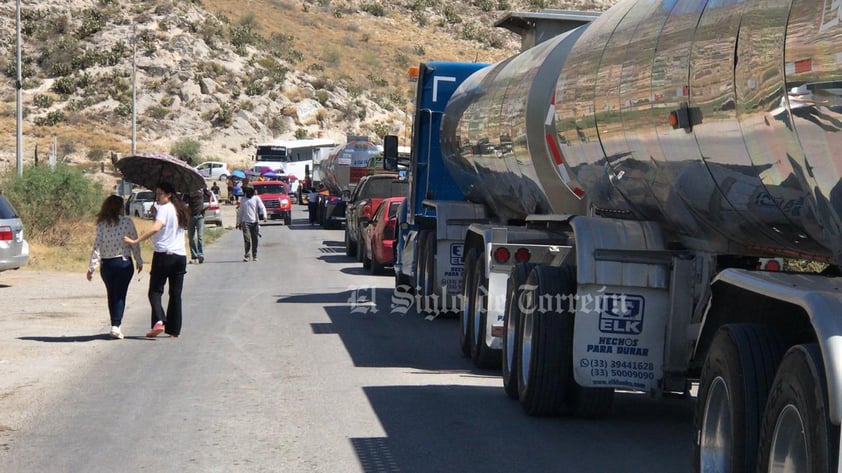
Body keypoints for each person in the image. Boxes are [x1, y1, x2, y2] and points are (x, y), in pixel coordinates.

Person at [123, 182, 190, 338]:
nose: (157, 197)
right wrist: (155, 214)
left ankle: (159, 321)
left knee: (154, 291)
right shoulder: (179, 210)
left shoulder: (165, 209)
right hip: (180, 256)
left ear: (169, 195)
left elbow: (156, 228)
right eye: (156, 194)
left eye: (160, 194)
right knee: (175, 294)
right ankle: (174, 330)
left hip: (163, 255)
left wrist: (136, 241)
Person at [87, 195, 143, 340]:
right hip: (123, 262)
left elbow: (97, 246)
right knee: (120, 294)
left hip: (107, 265)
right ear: (119, 207)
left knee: (112, 294)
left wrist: (92, 266)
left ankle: (115, 324)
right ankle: (116, 325)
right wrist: (139, 259)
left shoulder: (101, 225)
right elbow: (134, 242)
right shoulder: (127, 223)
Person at [237, 186, 267, 262]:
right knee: (247, 239)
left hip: (254, 222)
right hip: (245, 222)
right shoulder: (243, 200)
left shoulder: (256, 198)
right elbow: (240, 212)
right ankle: (247, 255)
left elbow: (262, 207)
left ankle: (255, 255)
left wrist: (264, 216)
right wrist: (238, 222)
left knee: (255, 239)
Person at [185, 186, 209, 264]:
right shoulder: (189, 190)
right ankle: (194, 255)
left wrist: (209, 204)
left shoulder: (203, 188)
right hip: (191, 216)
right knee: (191, 238)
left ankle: (200, 255)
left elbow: (210, 194)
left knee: (200, 237)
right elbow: (184, 201)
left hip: (200, 216)